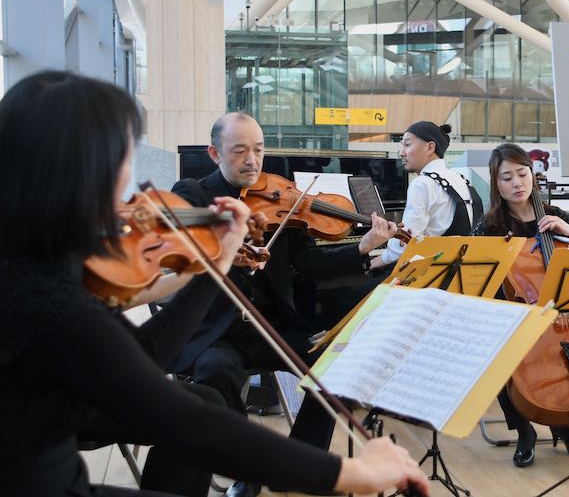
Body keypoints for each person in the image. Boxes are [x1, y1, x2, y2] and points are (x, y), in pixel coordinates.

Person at [0, 71, 428, 497]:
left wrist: (217, 265)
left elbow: (142, 357)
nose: (130, 196)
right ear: (82, 172)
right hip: (208, 342)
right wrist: (349, 473)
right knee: (209, 388)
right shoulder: (50, 296)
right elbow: (178, 412)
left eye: (258, 149)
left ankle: (281, 467)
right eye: (123, 160)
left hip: (265, 326)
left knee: (259, 385)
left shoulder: (36, 267)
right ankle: (262, 474)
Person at [168, 112, 399, 497]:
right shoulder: (193, 193)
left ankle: (298, 464)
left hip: (273, 326)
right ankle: (249, 468)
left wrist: (364, 246)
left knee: (336, 366)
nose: (251, 160)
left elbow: (309, 263)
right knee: (215, 374)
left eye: (258, 149)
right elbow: (186, 238)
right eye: (239, 150)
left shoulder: (280, 201)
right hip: (217, 333)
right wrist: (230, 235)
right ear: (214, 153)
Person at [472, 143, 569, 468]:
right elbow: (475, 274)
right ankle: (523, 430)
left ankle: (565, 424)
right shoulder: (491, 226)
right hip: (512, 314)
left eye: (522, 173)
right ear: (496, 184)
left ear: (533, 175)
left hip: (565, 310)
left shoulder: (554, 215)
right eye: (507, 177)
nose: (517, 182)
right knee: (497, 356)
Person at [370, 122, 483, 270]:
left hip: (430, 277)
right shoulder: (462, 180)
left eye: (407, 145)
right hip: (465, 273)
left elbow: (404, 246)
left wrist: (371, 264)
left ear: (430, 147)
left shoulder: (422, 183)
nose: (401, 153)